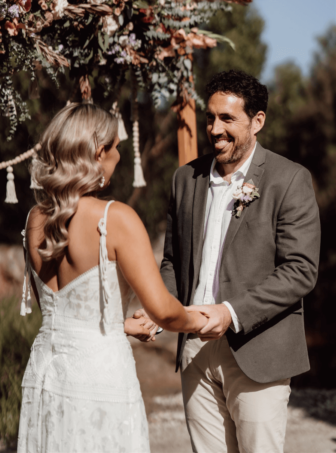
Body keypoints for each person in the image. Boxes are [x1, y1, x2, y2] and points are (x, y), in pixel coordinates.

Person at [136, 70, 321, 453]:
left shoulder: (289, 180)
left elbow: (300, 270)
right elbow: (173, 261)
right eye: (210, 117)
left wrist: (229, 312)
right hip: (194, 350)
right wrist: (159, 308)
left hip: (259, 349)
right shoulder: (184, 179)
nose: (215, 129)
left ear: (257, 121)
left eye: (227, 119)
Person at [17, 102, 207, 453]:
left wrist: (121, 325)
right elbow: (163, 310)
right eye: (116, 147)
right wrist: (202, 318)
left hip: (45, 374)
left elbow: (66, 318)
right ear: (98, 153)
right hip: (100, 380)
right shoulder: (115, 218)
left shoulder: (34, 220)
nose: (119, 155)